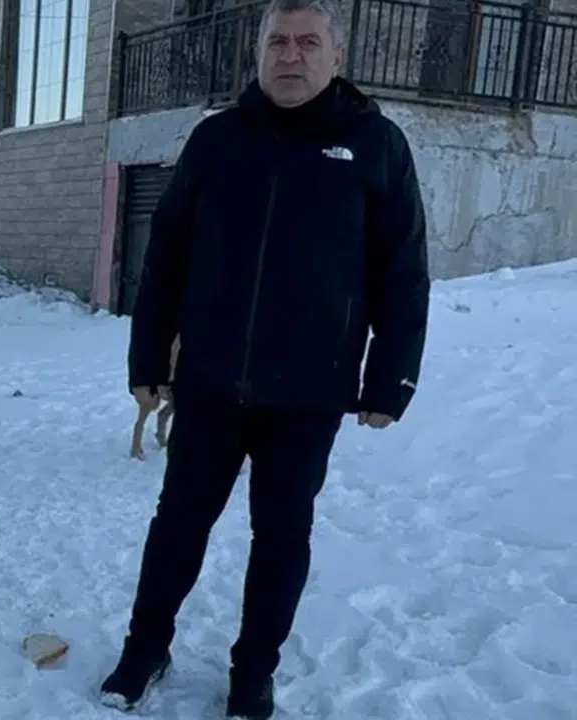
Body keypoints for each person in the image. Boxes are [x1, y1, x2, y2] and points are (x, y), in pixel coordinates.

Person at [99, 0, 431, 716]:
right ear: (258, 54)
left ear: (336, 56)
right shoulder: (217, 140)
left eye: (308, 42)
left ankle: (253, 672)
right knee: (177, 525)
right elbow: (166, 257)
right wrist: (148, 359)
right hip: (211, 382)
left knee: (281, 538)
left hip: (309, 393)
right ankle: (145, 648)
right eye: (278, 41)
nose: (290, 55)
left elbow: (403, 273)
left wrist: (391, 379)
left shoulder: (375, 145)